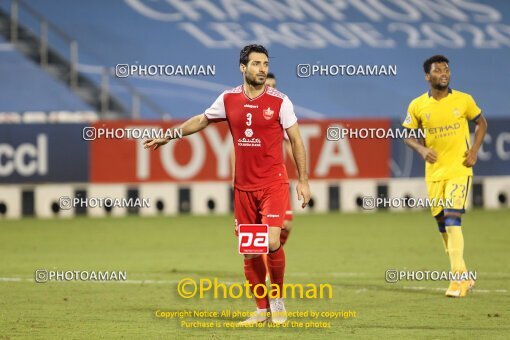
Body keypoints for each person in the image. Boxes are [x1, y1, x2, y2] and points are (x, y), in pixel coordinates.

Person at [144, 44, 311, 322]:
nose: (262, 69)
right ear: (242, 67)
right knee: (249, 250)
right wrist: (169, 135)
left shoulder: (281, 101)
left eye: (265, 64)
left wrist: (303, 180)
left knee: (271, 241)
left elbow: (296, 139)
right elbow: (201, 120)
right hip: (243, 187)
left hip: (273, 182)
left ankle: (278, 301)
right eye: (256, 64)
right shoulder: (228, 98)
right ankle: (261, 311)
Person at [402, 55, 487, 298]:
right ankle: (464, 274)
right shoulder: (418, 105)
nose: (444, 73)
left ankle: (457, 280)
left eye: (447, 69)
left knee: (452, 219)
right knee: (442, 225)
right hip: (434, 175)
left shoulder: (464, 100)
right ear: (428, 77)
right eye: (438, 70)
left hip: (459, 170)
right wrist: (421, 149)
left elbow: (482, 124)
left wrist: (473, 151)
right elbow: (407, 135)